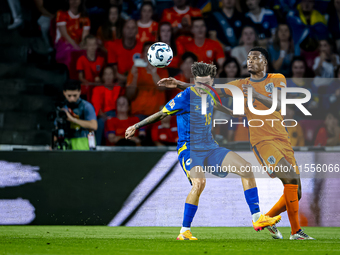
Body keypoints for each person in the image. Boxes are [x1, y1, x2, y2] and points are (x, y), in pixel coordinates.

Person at [160, 47, 315, 240]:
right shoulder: (240, 84)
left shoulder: (277, 78)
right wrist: (178, 84)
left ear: (265, 62)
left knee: (297, 192)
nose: (250, 60)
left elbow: (278, 104)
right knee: (290, 178)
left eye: (255, 57)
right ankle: (295, 232)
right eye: (248, 58)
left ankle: (266, 217)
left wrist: (254, 95)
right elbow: (207, 90)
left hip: (282, 138)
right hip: (262, 140)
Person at [127, 62, 281, 240]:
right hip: (190, 149)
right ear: (194, 81)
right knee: (199, 183)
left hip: (210, 147)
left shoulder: (208, 92)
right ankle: (184, 231)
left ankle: (257, 218)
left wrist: (236, 113)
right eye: (199, 83)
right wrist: (136, 126)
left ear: (212, 82)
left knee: (246, 168)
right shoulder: (185, 97)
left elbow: (214, 103)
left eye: (206, 83)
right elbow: (162, 114)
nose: (202, 88)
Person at [126, 41, 168, 118]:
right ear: (142, 55)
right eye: (146, 51)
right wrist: (135, 77)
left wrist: (153, 72)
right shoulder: (135, 69)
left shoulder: (162, 70)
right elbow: (129, 95)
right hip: (138, 113)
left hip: (157, 114)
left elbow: (162, 88)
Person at [60, 80, 97, 150]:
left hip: (83, 142)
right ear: (64, 93)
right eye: (69, 96)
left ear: (79, 92)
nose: (72, 98)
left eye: (75, 95)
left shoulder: (86, 106)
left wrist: (73, 119)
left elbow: (94, 125)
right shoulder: (62, 108)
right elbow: (57, 127)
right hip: (66, 141)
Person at [91, 66, 123, 145]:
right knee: (100, 123)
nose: (108, 77)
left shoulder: (118, 88)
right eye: (106, 74)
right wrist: (105, 117)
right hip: (103, 115)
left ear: (114, 76)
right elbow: (97, 106)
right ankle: (97, 146)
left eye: (110, 74)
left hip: (117, 115)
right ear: (102, 76)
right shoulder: (97, 89)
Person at [55, 0, 90, 69]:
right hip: (64, 43)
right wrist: (75, 46)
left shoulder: (85, 17)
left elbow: (85, 36)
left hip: (79, 44)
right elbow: (64, 34)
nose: (75, 1)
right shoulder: (61, 14)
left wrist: (82, 45)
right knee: (70, 53)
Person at [107, 19, 143, 85]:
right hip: (119, 81)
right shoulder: (113, 46)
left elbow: (142, 71)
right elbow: (114, 72)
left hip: (137, 82)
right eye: (128, 27)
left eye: (133, 28)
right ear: (123, 30)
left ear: (137, 31)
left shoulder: (142, 47)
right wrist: (127, 80)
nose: (130, 30)